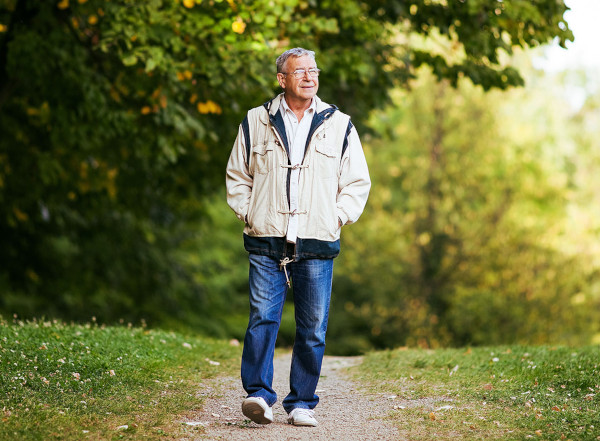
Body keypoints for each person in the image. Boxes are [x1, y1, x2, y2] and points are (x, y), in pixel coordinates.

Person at [225, 47, 370, 427]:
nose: (309, 76)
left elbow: (356, 183)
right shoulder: (256, 121)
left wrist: (334, 218)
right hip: (266, 238)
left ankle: (302, 402)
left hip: (317, 241)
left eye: (313, 70)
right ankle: (258, 395)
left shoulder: (339, 124)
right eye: (300, 71)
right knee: (261, 319)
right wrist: (250, 213)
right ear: (282, 79)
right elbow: (238, 177)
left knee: (313, 327)